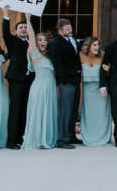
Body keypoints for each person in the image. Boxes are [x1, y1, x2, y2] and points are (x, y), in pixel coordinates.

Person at [21, 18, 58, 150]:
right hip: (39, 87)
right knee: (39, 112)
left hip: (51, 87)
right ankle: (36, 138)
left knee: (49, 112)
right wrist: (28, 19)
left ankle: (46, 138)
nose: (43, 42)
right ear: (36, 43)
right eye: (40, 40)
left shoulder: (51, 56)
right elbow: (31, 37)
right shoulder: (34, 53)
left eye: (45, 40)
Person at [47, 18, 81, 149]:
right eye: (67, 29)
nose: (70, 30)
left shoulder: (72, 39)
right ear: (60, 30)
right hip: (66, 80)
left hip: (76, 79)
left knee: (73, 109)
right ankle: (62, 139)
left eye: (70, 28)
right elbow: (57, 64)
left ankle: (71, 135)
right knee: (65, 110)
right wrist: (64, 78)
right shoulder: (55, 43)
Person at [1, 7, 32, 149]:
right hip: (16, 78)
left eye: (25, 27)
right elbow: (5, 33)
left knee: (24, 108)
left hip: (29, 79)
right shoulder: (12, 41)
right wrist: (6, 15)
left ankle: (20, 136)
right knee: (15, 108)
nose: (24, 29)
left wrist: (28, 19)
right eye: (21, 27)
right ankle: (11, 140)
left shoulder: (31, 43)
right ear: (16, 31)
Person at [80, 36, 111, 147]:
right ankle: (88, 136)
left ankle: (102, 136)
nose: (97, 47)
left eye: (98, 45)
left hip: (100, 90)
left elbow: (110, 72)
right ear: (88, 46)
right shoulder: (80, 56)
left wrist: (109, 71)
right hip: (87, 90)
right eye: (94, 45)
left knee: (101, 114)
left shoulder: (103, 56)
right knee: (89, 115)